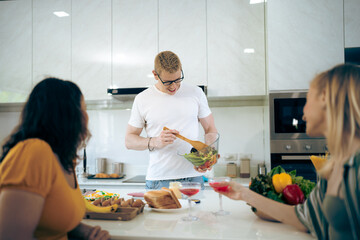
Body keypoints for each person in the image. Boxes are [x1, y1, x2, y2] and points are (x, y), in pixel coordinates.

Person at [214, 63, 360, 239]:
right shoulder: (334, 167)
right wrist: (244, 194)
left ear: (324, 98)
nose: (303, 112)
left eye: (308, 99)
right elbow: (303, 218)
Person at [0, 78, 110, 240]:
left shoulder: (64, 159)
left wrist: (82, 231)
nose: (87, 117)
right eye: (84, 109)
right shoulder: (34, 152)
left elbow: (50, 220)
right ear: (69, 115)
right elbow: (11, 235)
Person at [125, 51, 218, 190]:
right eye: (168, 82)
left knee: (196, 213)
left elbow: (210, 129)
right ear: (155, 75)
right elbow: (129, 141)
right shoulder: (142, 99)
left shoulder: (196, 93)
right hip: (159, 181)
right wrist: (154, 141)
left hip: (193, 179)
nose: (174, 86)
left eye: (178, 79)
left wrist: (209, 156)